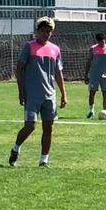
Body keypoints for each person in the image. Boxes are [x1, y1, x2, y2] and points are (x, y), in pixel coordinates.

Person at [9, 17, 68, 167]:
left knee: (48, 128)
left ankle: (43, 161)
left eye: (49, 31)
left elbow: (58, 73)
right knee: (30, 126)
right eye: (43, 31)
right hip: (32, 95)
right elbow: (19, 69)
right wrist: (21, 91)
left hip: (49, 96)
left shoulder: (55, 49)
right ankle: (16, 148)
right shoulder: (29, 47)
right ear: (37, 31)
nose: (46, 34)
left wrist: (63, 94)